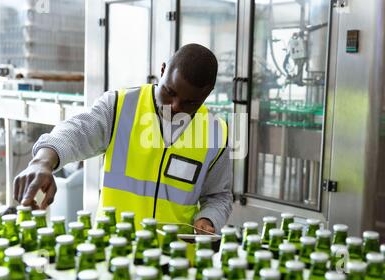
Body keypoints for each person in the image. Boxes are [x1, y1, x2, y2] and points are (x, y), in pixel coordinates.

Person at [13, 44, 233, 234]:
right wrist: (43, 161)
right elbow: (76, 131)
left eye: (189, 103)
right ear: (163, 70)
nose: (174, 107)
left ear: (207, 94)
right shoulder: (120, 107)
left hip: (175, 260)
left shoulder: (216, 133)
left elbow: (218, 196)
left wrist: (208, 219)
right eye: (170, 92)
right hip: (117, 254)